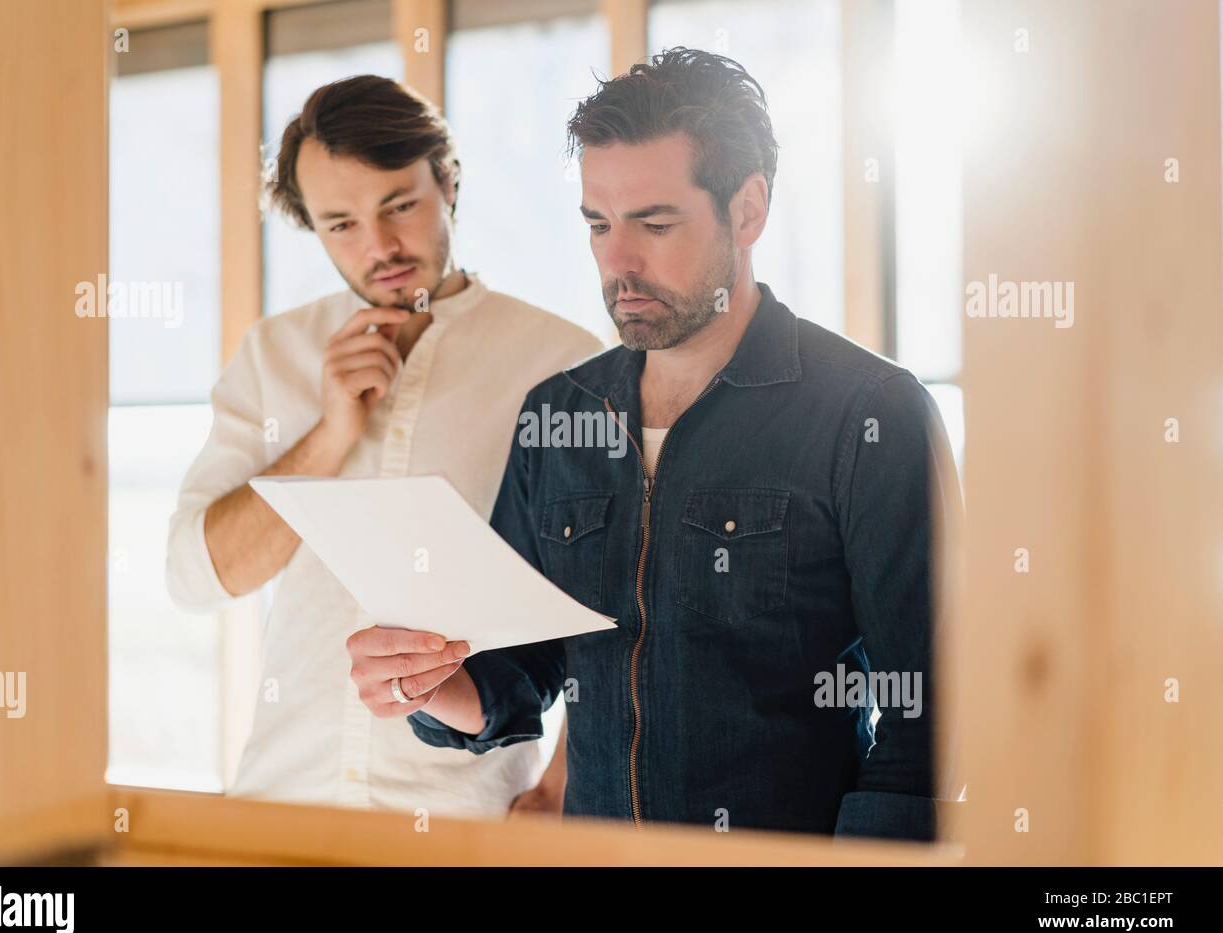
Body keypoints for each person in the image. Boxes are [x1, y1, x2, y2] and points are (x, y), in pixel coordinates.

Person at [344, 48, 961, 840]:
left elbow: (934, 722)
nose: (618, 261)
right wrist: (423, 683)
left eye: (655, 223)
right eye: (598, 224)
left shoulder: (871, 413)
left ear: (748, 210)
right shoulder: (558, 413)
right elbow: (520, 676)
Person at [166, 74, 601, 817]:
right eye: (341, 224)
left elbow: (614, 601)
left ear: (449, 183)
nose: (381, 247)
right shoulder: (275, 354)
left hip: (472, 814)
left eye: (400, 205)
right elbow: (196, 577)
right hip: (281, 803)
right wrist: (330, 434)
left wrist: (562, 784)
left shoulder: (566, 365)